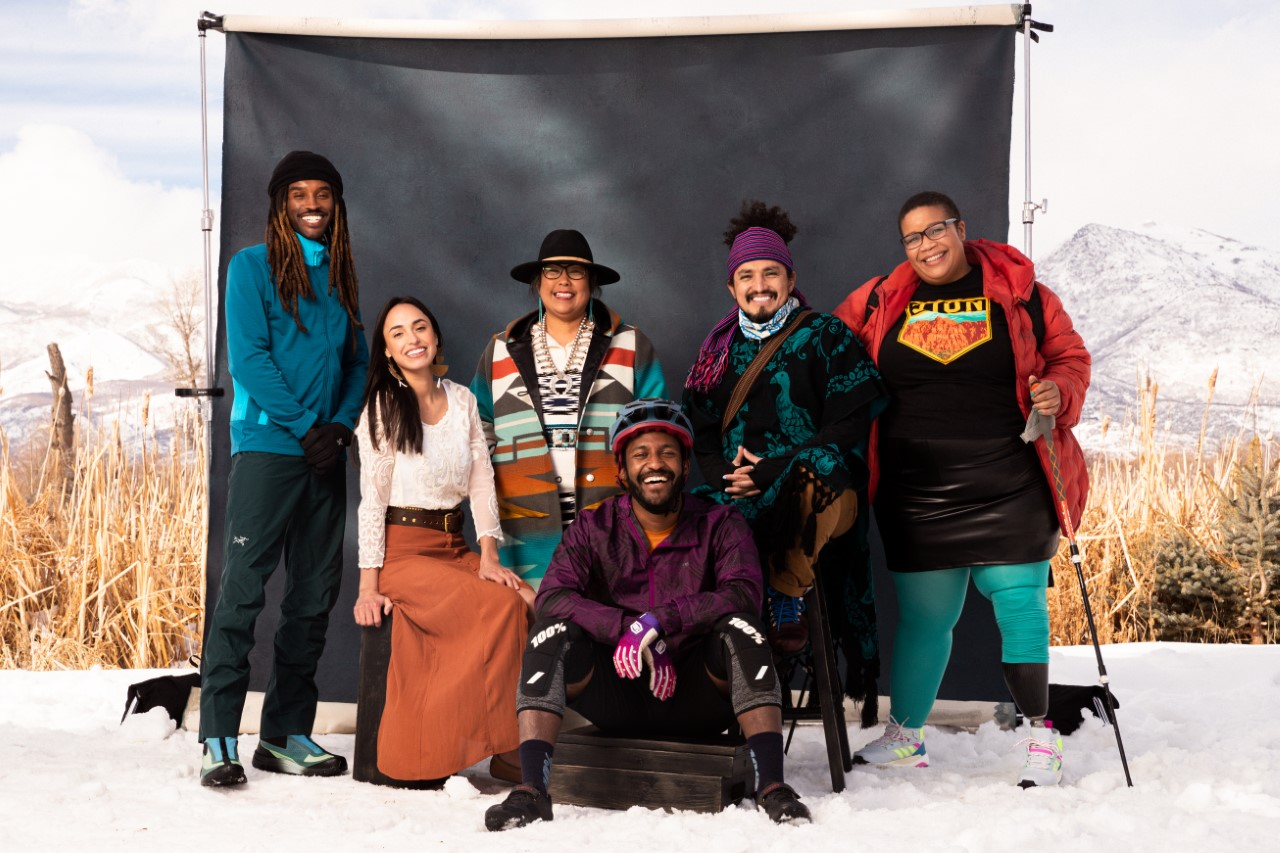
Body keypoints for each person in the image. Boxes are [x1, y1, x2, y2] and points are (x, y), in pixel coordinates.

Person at [833, 190, 1090, 788]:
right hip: (914, 489)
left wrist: (1058, 390)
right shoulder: (879, 299)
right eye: (913, 237)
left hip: (1009, 477)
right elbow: (822, 350)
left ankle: (1040, 737)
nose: (926, 245)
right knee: (926, 618)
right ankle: (906, 735)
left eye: (935, 230)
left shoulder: (1022, 292)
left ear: (960, 228)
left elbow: (1069, 357)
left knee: (1019, 604)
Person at [483, 399, 810, 831]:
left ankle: (772, 787)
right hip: (617, 692)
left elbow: (743, 593)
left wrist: (658, 621)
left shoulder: (722, 523)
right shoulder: (592, 526)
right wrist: (626, 628)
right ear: (622, 470)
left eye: (667, 453)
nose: (654, 464)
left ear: (686, 466)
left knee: (743, 628)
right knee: (550, 633)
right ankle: (532, 792)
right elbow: (554, 596)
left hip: (700, 696)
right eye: (641, 455)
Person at [199, 151, 369, 788]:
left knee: (313, 596)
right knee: (244, 589)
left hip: (325, 451)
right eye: (298, 193)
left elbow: (358, 366)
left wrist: (341, 426)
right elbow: (249, 360)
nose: (312, 204)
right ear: (280, 203)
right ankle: (218, 734)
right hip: (271, 449)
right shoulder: (251, 267)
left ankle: (285, 735)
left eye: (322, 193)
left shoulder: (342, 279)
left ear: (335, 203)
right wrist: (305, 430)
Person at [682, 201, 887, 662]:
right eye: (747, 276)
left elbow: (850, 422)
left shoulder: (826, 335)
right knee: (679, 508)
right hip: (739, 489)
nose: (759, 286)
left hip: (823, 490)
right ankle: (690, 645)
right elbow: (701, 428)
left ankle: (785, 593)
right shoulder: (717, 351)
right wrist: (722, 478)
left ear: (790, 280)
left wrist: (773, 469)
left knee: (816, 467)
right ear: (731, 287)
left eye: (770, 273)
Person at [352, 296, 534, 785]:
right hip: (403, 554)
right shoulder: (381, 408)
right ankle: (466, 748)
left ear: (435, 337)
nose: (412, 339)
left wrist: (489, 556)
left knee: (525, 598)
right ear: (387, 352)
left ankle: (508, 747)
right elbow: (372, 502)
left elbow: (480, 482)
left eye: (420, 328)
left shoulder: (463, 401)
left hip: (454, 548)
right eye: (398, 334)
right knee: (497, 609)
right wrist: (369, 587)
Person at [471, 229, 666, 589]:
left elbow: (657, 434)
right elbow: (475, 433)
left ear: (591, 282)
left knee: (608, 628)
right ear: (537, 281)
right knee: (534, 634)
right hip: (524, 528)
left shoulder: (631, 345)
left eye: (576, 271)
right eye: (552, 271)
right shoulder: (500, 349)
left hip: (611, 525)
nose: (564, 281)